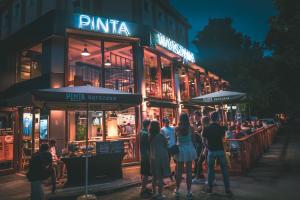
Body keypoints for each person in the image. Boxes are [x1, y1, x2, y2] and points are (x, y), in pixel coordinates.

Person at [202, 112, 232, 196]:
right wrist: (224, 115)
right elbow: (225, 133)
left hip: (211, 151)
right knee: (224, 170)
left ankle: (209, 188)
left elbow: (203, 141)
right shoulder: (221, 128)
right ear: (218, 118)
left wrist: (207, 147)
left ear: (211, 118)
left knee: (210, 171)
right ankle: (227, 189)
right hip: (221, 151)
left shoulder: (206, 128)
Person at [174, 113, 197, 200]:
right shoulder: (191, 128)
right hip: (189, 150)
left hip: (180, 150)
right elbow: (194, 141)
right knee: (189, 171)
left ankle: (177, 190)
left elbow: (176, 141)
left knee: (178, 171)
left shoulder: (176, 128)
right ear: (187, 119)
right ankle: (189, 191)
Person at [149, 121, 170, 200]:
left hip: (153, 158)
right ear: (158, 127)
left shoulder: (150, 136)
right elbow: (165, 145)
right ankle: (160, 194)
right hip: (161, 157)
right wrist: (167, 139)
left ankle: (154, 193)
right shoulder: (161, 136)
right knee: (160, 177)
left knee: (154, 176)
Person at [192, 115, 210, 184]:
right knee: (200, 162)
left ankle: (208, 179)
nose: (201, 122)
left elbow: (204, 139)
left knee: (206, 163)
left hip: (206, 147)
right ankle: (198, 177)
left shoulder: (205, 128)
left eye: (202, 121)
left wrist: (199, 134)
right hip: (205, 147)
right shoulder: (206, 127)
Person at [139, 119, 152, 198]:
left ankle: (144, 188)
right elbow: (148, 147)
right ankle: (143, 191)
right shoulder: (146, 134)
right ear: (149, 125)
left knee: (143, 173)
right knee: (146, 174)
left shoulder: (141, 132)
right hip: (146, 156)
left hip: (143, 155)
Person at [191, 111, 205, 183]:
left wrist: (193, 124)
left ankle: (197, 174)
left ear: (199, 116)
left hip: (200, 143)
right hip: (195, 143)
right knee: (196, 159)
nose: (195, 117)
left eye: (196, 116)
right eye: (194, 116)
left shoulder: (201, 123)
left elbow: (197, 130)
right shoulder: (196, 123)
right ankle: (198, 173)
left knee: (198, 159)